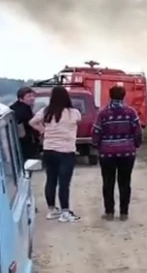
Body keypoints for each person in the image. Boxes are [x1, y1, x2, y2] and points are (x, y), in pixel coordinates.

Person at [29, 86, 81, 223]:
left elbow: (32, 122)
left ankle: (52, 210)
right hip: (66, 151)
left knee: (51, 180)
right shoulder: (74, 112)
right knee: (64, 183)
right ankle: (65, 211)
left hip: (49, 150)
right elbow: (77, 123)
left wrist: (43, 130)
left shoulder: (46, 111)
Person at [93, 85, 143, 221]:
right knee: (125, 182)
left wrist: (97, 146)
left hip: (107, 153)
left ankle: (109, 213)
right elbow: (138, 131)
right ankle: (124, 213)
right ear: (124, 96)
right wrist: (136, 145)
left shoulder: (102, 113)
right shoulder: (131, 112)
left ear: (110, 95)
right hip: (127, 153)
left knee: (108, 182)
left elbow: (96, 132)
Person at [10, 87, 40, 162]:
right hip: (22, 144)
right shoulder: (22, 110)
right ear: (21, 99)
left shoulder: (20, 107)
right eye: (29, 96)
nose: (32, 98)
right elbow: (30, 124)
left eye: (33, 96)